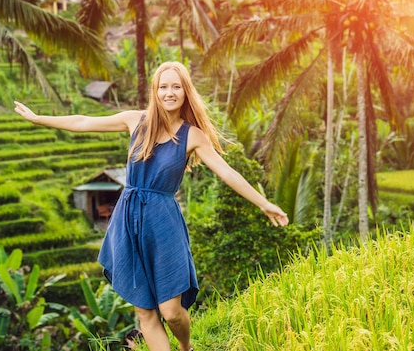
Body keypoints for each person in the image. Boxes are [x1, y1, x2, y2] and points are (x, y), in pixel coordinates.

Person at [14, 61, 289, 351]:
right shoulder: (136, 120)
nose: (169, 93)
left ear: (185, 92)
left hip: (162, 223)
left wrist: (264, 203)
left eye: (176, 86)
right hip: (127, 219)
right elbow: (84, 122)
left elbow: (227, 172)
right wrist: (39, 119)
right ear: (155, 91)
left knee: (170, 312)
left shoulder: (193, 136)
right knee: (145, 311)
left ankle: (186, 347)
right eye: (164, 86)